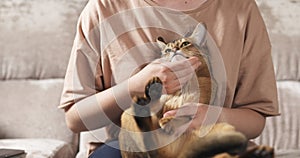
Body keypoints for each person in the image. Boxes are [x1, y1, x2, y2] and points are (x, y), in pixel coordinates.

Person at [59, 0, 279, 157]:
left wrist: (214, 117)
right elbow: (75, 119)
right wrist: (135, 87)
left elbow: (256, 120)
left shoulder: (241, 9)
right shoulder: (102, 8)